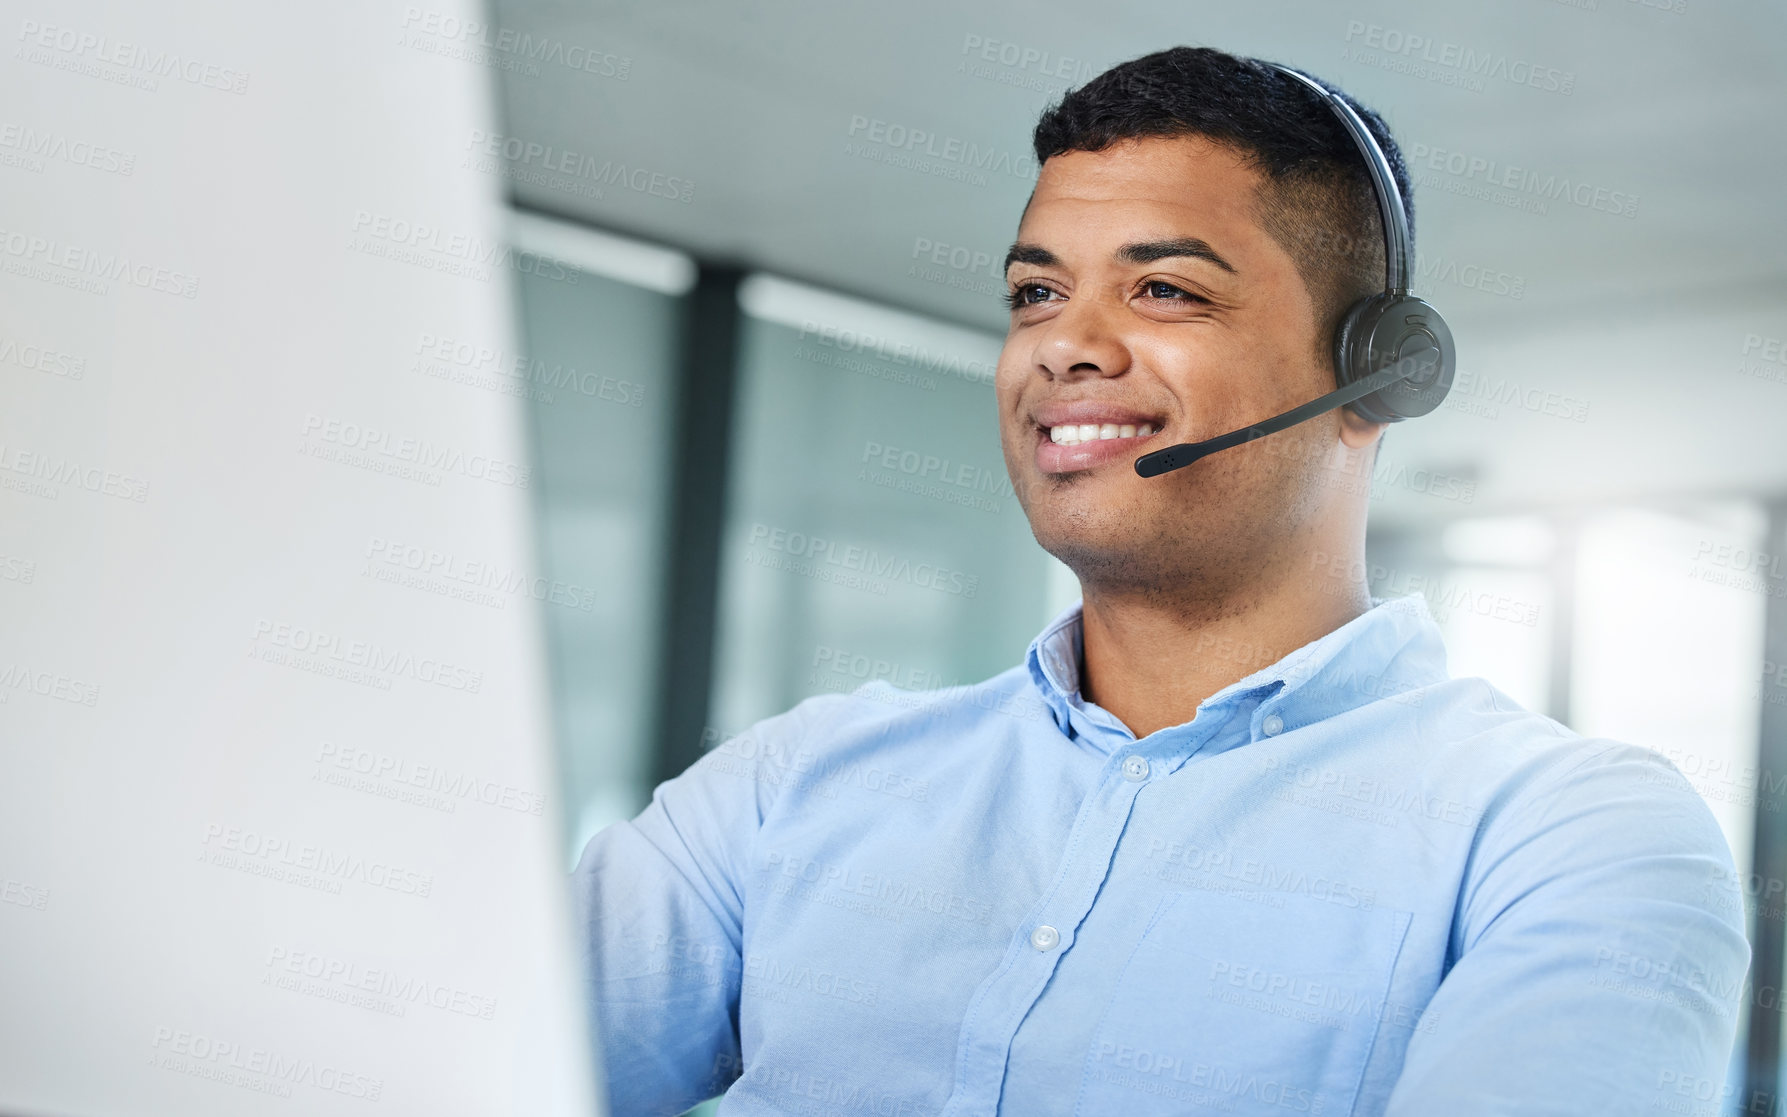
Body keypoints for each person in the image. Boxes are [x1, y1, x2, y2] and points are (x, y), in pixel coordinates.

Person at [573, 46, 1748, 1116]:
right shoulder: (790, 788)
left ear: (1374, 372)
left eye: (1163, 289)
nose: (1063, 345)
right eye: (1035, 292)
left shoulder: (1567, 839)